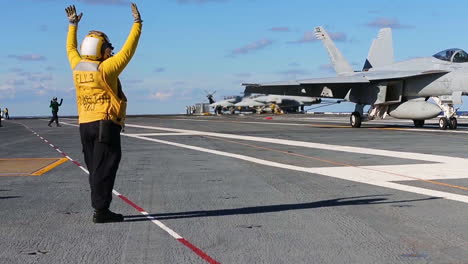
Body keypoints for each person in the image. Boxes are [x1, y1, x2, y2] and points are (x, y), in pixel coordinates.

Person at [65, 4, 142, 223]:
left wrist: (72, 26)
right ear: (100, 48)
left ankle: (100, 208)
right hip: (105, 125)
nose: (111, 49)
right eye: (107, 46)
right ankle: (101, 211)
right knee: (106, 168)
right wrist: (137, 25)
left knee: (95, 169)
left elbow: (70, 49)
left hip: (85, 125)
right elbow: (129, 50)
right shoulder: (106, 69)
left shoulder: (77, 66)